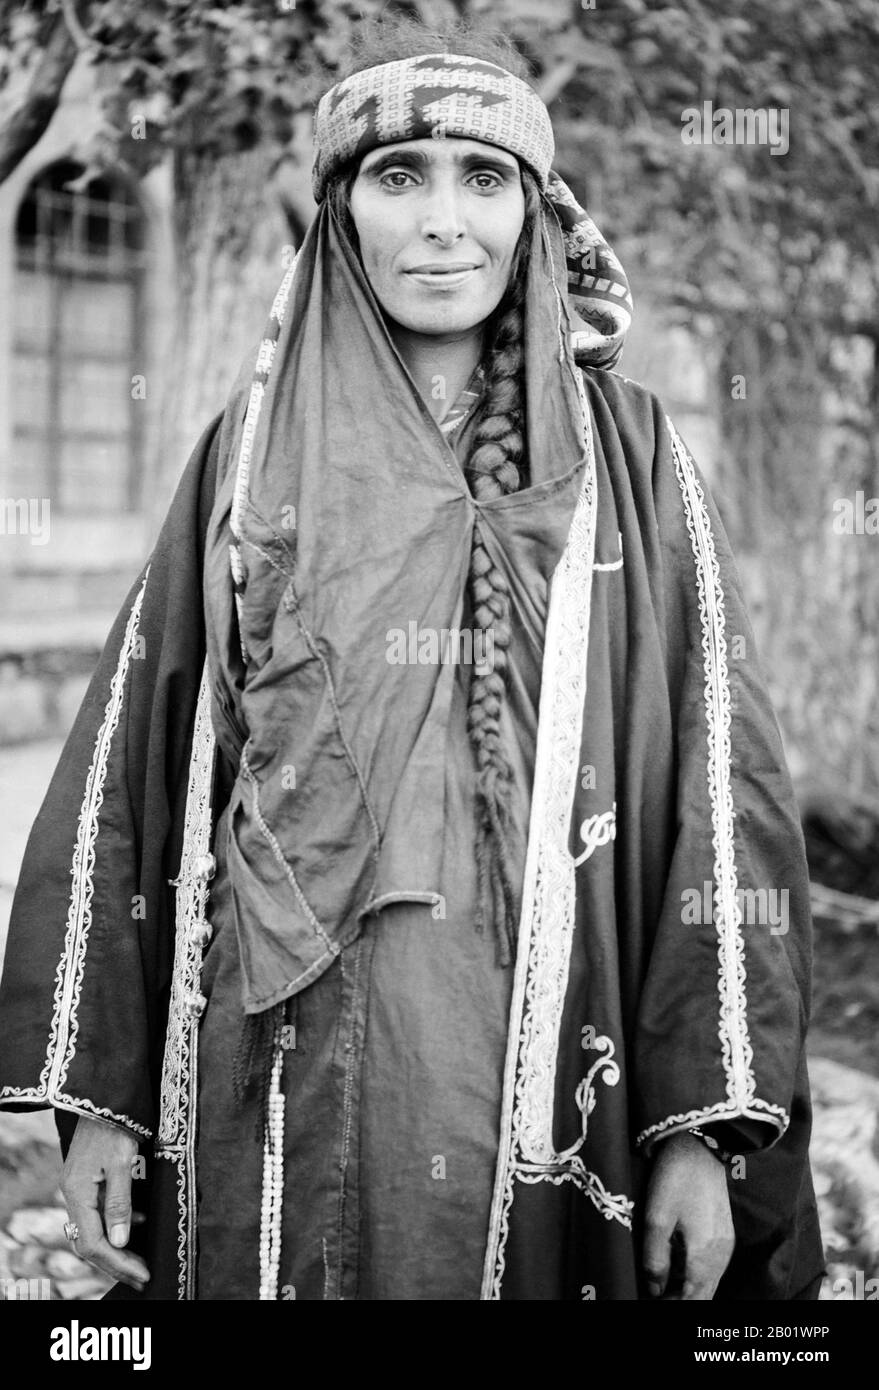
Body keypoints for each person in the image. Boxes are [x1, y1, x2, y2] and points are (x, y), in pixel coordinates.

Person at [0, 18, 824, 1301]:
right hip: (270, 1063)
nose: (444, 222)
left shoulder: (633, 463)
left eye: (483, 179)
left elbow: (723, 796)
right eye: (400, 177)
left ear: (535, 216)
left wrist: (703, 1127)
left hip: (536, 1049)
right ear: (341, 217)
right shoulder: (248, 454)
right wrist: (105, 1091)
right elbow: (134, 766)